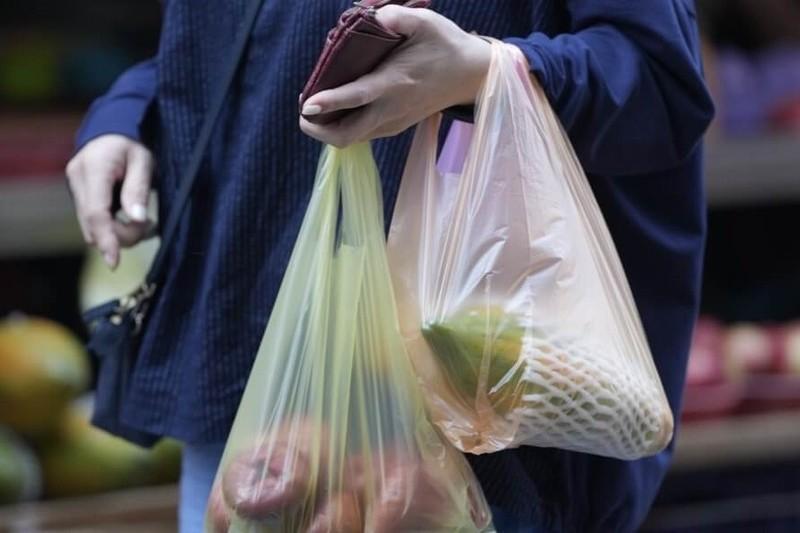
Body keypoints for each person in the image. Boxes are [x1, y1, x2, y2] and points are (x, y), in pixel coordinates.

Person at [66, 2, 714, 532]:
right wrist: (129, 117)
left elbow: (657, 77)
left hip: (460, 436)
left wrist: (489, 69)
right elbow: (239, 44)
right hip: (239, 397)